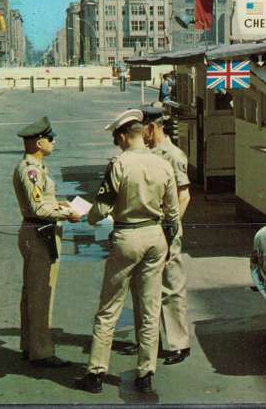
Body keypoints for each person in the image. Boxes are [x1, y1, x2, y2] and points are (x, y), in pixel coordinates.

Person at [75, 109, 180, 394]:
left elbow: (102, 208)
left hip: (127, 236)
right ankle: (146, 374)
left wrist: (88, 216)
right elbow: (172, 214)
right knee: (149, 309)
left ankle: (96, 373)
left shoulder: (119, 164)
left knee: (109, 308)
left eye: (116, 139)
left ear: (123, 136)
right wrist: (168, 244)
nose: (117, 144)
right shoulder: (163, 163)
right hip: (155, 236)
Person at [119, 104, 191, 365]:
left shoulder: (172, 155)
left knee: (170, 287)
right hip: (150, 229)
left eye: (144, 130)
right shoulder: (148, 153)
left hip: (167, 229)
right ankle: (147, 340)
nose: (142, 136)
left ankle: (178, 343)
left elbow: (184, 195)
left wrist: (171, 227)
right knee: (143, 286)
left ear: (152, 127)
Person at [12, 116, 81, 367]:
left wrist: (58, 204)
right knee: (40, 293)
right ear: (40, 142)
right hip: (39, 232)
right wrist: (67, 213)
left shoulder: (36, 167)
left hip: (40, 231)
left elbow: (43, 202)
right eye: (50, 139)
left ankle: (30, 345)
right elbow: (37, 208)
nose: (54, 142)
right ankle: (41, 352)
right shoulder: (30, 169)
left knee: (33, 291)